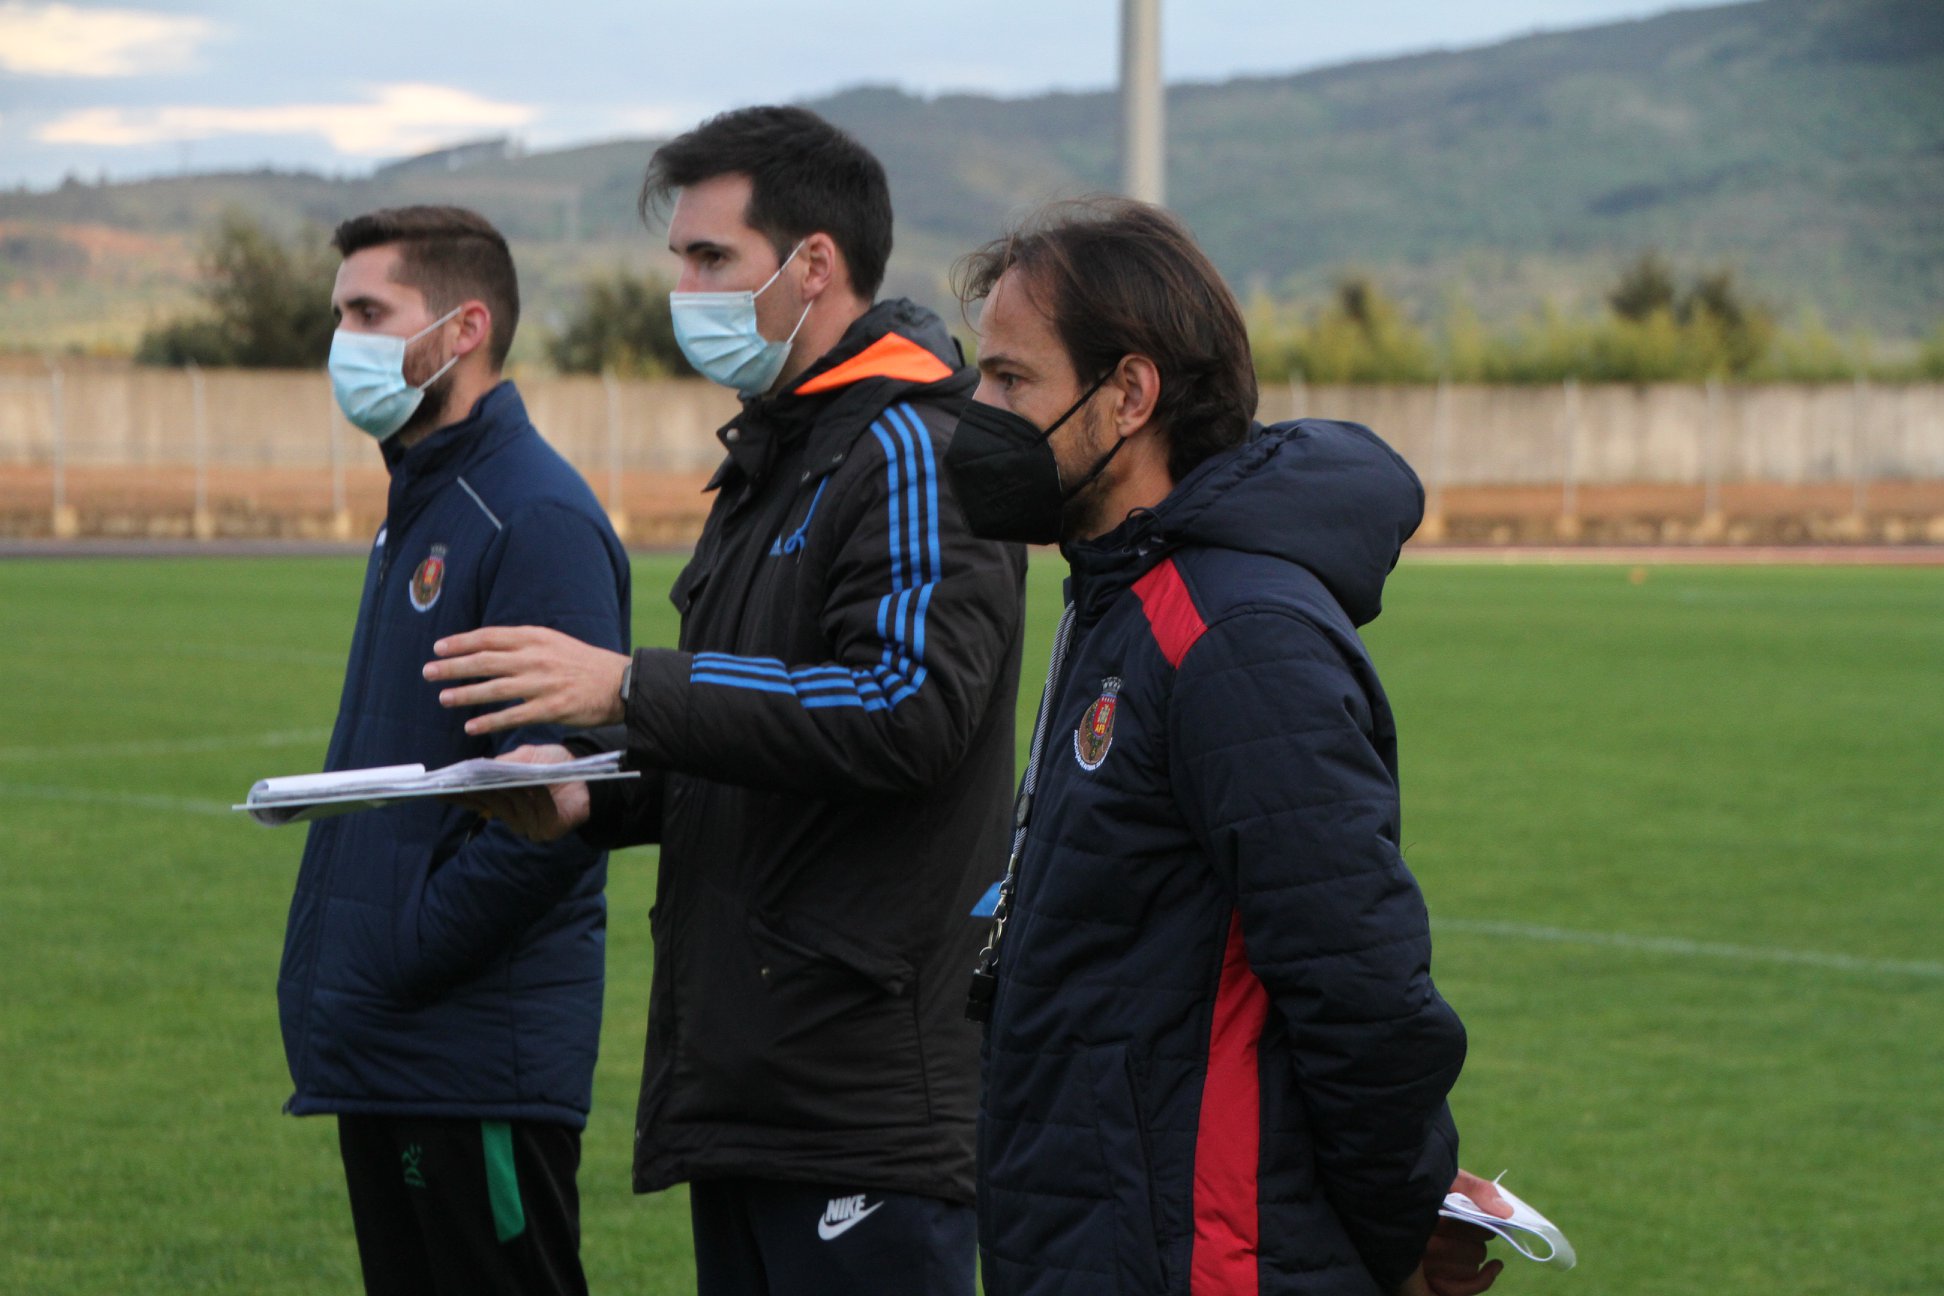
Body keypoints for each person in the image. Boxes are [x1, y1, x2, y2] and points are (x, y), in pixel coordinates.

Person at [421, 108, 1026, 1296]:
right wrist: (589, 793)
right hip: (752, 1068)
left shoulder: (913, 444)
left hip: (862, 1089)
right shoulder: (776, 454)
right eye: (678, 259)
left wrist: (628, 683)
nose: (684, 290)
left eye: (712, 258)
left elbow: (904, 709)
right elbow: (758, 736)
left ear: (814, 265)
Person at [943, 198, 1507, 1296]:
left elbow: (1360, 985)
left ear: (1129, 395)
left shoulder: (1231, 635)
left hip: (1201, 1262)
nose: (979, 411)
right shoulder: (1116, 596)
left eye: (1011, 380)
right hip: (1095, 1244)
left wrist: (1399, 1227)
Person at [278, 205, 631, 1296]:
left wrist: (407, 943)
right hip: (395, 1045)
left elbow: (560, 801)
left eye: (368, 313)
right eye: (340, 314)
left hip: (472, 1054)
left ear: (463, 328)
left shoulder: (533, 516)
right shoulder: (424, 498)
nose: (343, 341)